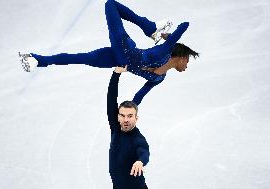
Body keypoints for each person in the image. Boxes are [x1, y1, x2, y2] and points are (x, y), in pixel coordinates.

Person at [19, 0, 199, 105]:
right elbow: (184, 26)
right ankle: (150, 27)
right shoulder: (163, 52)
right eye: (188, 61)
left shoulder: (160, 78)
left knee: (80, 58)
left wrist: (132, 109)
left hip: (118, 60)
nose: (187, 65)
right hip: (124, 47)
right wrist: (168, 37)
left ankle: (38, 60)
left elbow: (140, 95)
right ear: (181, 57)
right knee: (110, 3)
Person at [107, 66, 149, 189]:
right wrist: (116, 74)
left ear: (136, 118)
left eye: (130, 116)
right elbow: (111, 99)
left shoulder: (138, 139)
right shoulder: (116, 128)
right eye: (123, 115)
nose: (126, 119)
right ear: (118, 117)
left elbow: (144, 152)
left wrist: (140, 161)